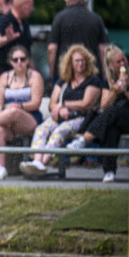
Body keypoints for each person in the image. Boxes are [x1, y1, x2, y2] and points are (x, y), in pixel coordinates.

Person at [20, 44, 101, 178]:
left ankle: (43, 163)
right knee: (41, 129)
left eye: (83, 60)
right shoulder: (64, 81)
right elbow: (52, 104)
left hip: (81, 118)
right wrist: (58, 110)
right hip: (60, 117)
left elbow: (86, 104)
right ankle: (36, 161)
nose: (80, 64)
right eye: (77, 61)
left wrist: (63, 105)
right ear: (71, 62)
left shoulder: (93, 81)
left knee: (59, 131)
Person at [67, 45, 129, 182]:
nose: (122, 64)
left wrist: (126, 89)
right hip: (116, 120)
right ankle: (109, 172)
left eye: (123, 60)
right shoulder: (108, 82)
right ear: (111, 66)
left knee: (113, 112)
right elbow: (104, 105)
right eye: (118, 62)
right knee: (112, 127)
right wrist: (115, 91)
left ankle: (83, 140)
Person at [0, 45, 44, 181]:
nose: (19, 62)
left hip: (30, 118)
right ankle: (1, 168)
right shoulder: (5, 77)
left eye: (23, 59)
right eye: (16, 59)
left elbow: (36, 103)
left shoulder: (34, 76)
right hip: (8, 119)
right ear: (10, 62)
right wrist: (1, 116)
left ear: (28, 60)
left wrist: (20, 106)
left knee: (13, 110)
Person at [47, 0, 108, 85]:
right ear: (84, 0)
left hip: (64, 72)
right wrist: (104, 73)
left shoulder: (59, 18)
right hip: (91, 73)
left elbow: (51, 48)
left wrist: (52, 72)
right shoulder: (96, 19)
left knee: (62, 100)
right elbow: (103, 49)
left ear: (67, 0)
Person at [0, 0, 34, 85]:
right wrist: (6, 39)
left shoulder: (25, 24)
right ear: (21, 5)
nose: (32, 9)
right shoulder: (4, 20)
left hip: (22, 75)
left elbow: (28, 51)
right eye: (30, 6)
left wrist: (33, 72)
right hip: (5, 75)